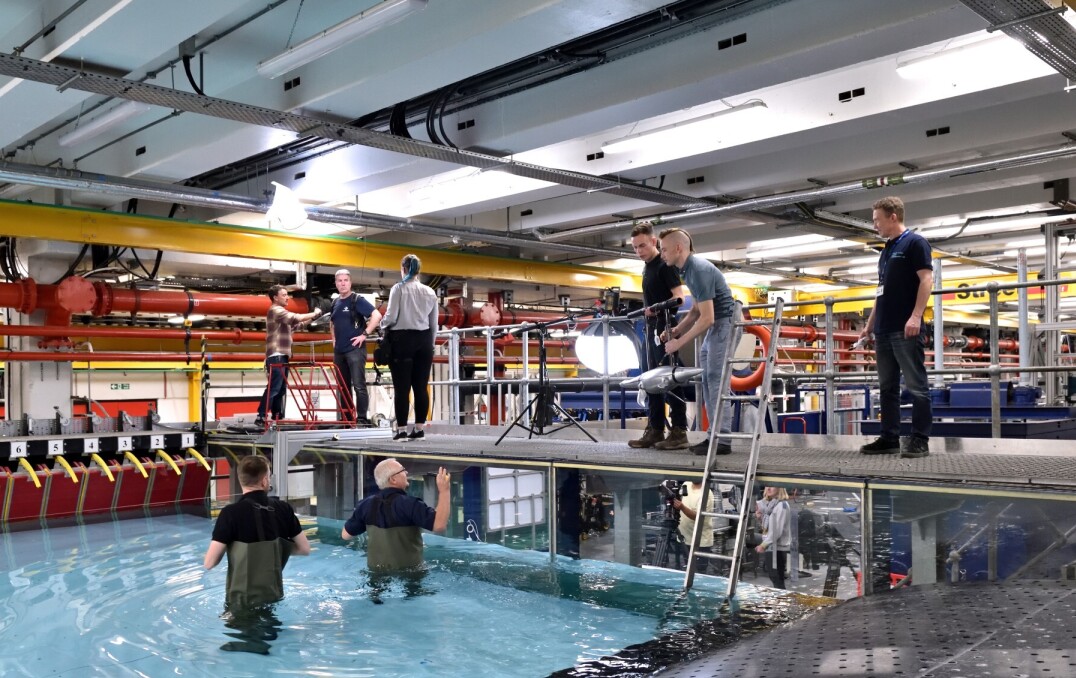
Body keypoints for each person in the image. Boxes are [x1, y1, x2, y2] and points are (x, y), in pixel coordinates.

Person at [859, 196, 933, 459]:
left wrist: (916, 316)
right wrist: (870, 324)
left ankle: (920, 440)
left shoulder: (915, 243)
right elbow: (882, 292)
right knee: (886, 386)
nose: (875, 225)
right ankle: (889, 437)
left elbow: (926, 280)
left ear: (893, 217)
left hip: (906, 329)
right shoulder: (886, 250)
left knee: (916, 385)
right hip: (883, 329)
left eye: (877, 220)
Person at [658, 228, 737, 456]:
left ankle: (722, 439)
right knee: (708, 378)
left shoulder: (698, 270)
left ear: (678, 248)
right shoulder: (689, 270)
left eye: (664, 249)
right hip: (718, 324)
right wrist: (676, 330)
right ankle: (715, 435)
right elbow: (695, 310)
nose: (662, 254)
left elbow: (708, 318)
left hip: (725, 323)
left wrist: (678, 344)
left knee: (716, 380)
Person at [204, 455, 311, 608]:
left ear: (241, 480)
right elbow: (304, 549)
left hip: (241, 602)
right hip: (273, 596)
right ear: (265, 480)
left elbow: (210, 563)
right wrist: (277, 551)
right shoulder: (283, 509)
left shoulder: (230, 513)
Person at [629, 223, 691, 450]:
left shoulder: (664, 266)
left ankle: (679, 430)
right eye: (635, 248)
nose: (638, 251)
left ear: (654, 241)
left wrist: (656, 309)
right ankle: (655, 429)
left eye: (642, 246)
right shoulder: (647, 268)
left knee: (669, 379)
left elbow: (679, 298)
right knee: (649, 380)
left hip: (664, 327)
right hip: (649, 329)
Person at [341, 458, 451, 571]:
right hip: (410, 572)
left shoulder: (365, 505)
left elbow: (346, 535)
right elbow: (439, 525)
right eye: (402, 470)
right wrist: (444, 490)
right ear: (393, 479)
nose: (406, 472)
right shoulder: (411, 504)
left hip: (376, 571)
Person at [380, 254, 439, 441]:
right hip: (424, 340)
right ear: (419, 270)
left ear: (403, 269)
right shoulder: (430, 291)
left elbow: (391, 316)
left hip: (402, 340)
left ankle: (402, 430)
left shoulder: (399, 289)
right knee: (421, 387)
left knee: (402, 388)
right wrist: (431, 344)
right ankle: (420, 428)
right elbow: (434, 324)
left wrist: (382, 324)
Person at [255, 284, 322, 427]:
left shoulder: (281, 314)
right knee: (274, 387)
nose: (287, 298)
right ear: (275, 297)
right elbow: (296, 318)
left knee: (280, 388)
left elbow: (298, 325)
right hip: (276, 354)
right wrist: (314, 312)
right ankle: (261, 415)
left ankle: (277, 416)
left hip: (283, 355)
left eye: (287, 294)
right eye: (284, 295)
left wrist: (314, 318)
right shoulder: (275, 310)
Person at [330, 269, 382, 425]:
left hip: (355, 350)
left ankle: (361, 418)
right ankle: (346, 419)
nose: (343, 283)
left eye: (345, 280)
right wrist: (333, 339)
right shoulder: (335, 302)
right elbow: (331, 322)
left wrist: (364, 335)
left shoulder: (357, 300)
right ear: (336, 283)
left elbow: (377, 316)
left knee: (359, 385)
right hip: (339, 352)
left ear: (350, 282)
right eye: (339, 280)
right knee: (343, 387)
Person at [671, 480, 716, 573]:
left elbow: (698, 517)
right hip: (684, 538)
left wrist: (682, 507)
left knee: (699, 573)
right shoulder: (685, 485)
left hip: (700, 542)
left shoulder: (706, 494)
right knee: (688, 569)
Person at [755, 486, 791, 589]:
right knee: (775, 578)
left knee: (777, 579)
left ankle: (782, 602)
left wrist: (763, 545)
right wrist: (760, 517)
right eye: (767, 486)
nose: (768, 488)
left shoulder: (782, 506)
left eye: (772, 486)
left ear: (780, 488)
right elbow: (769, 526)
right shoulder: (772, 505)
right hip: (772, 546)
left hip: (778, 548)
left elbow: (776, 531)